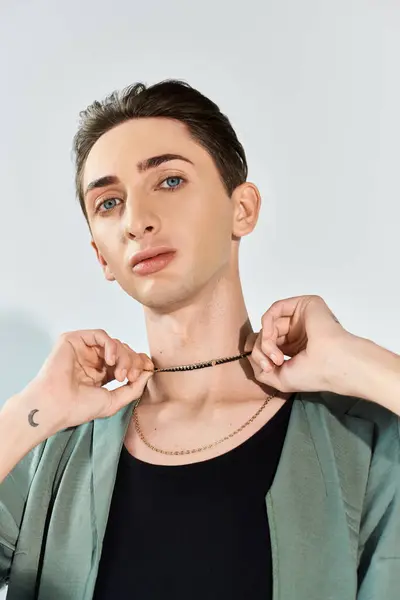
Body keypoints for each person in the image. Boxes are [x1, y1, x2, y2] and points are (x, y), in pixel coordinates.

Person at [0, 79, 399, 600]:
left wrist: (357, 362)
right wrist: (27, 413)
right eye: (109, 202)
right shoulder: (50, 451)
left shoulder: (361, 443)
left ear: (243, 209)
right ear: (101, 256)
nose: (137, 221)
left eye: (168, 181)